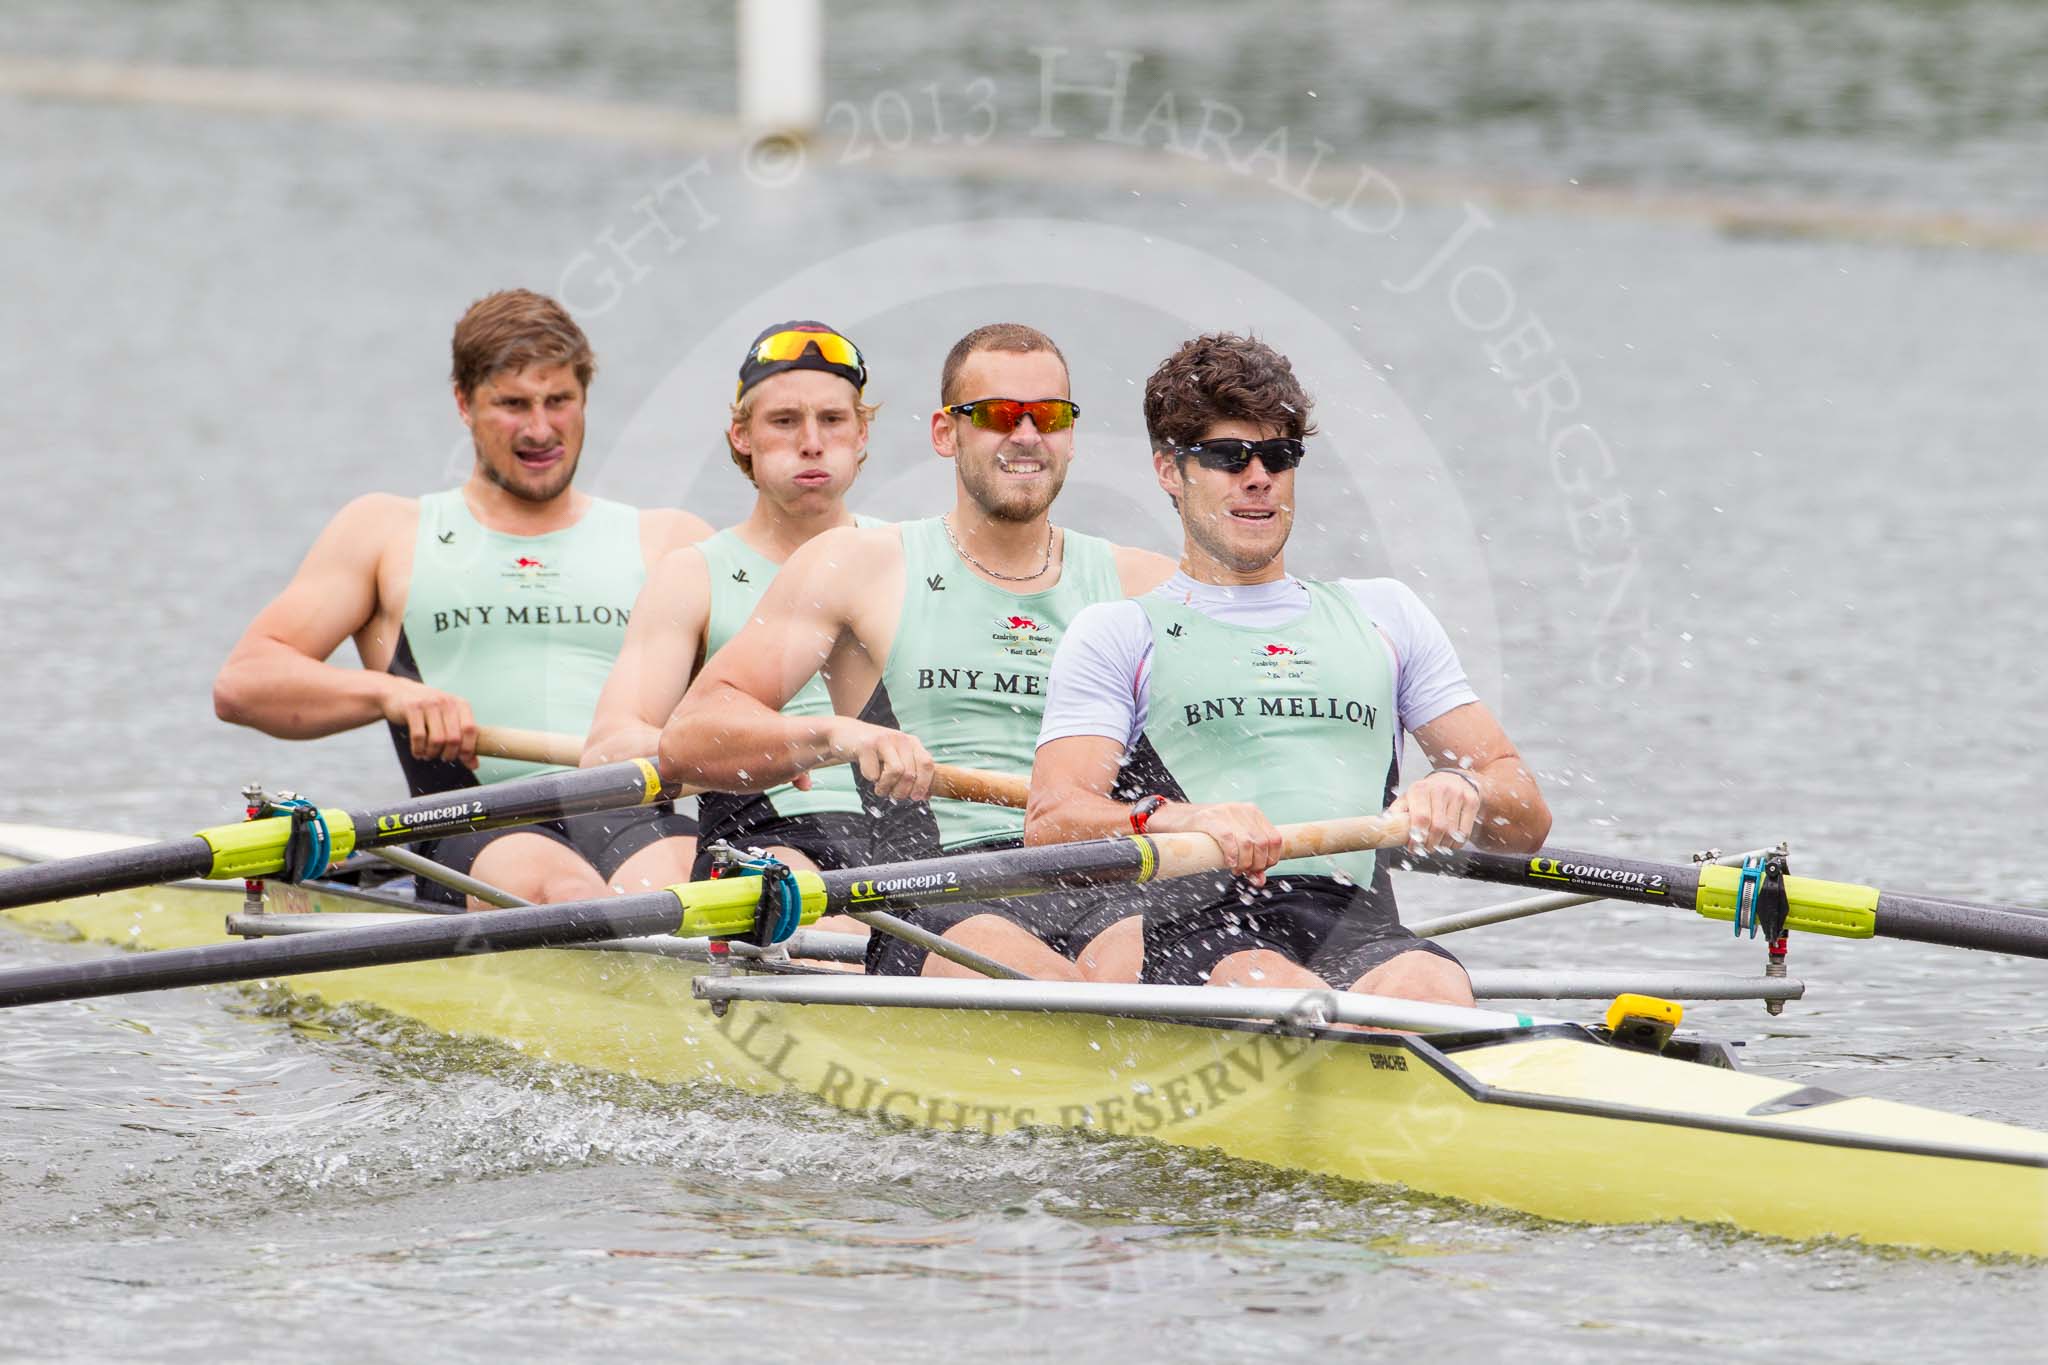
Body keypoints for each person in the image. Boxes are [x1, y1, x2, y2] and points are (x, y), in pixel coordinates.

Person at [1024, 332, 1551, 1005]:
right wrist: (1175, 818)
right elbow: (1054, 820)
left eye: (1278, 455)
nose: (1258, 476)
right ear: (1167, 470)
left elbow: (1527, 815)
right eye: (1226, 456)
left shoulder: (1386, 613)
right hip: (1203, 933)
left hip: (1359, 928)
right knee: (1291, 997)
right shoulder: (1121, 631)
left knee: (1435, 984)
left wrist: (1466, 794)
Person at [657, 322, 1175, 980]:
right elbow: (687, 738)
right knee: (1067, 992)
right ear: (943, 433)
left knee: (1165, 959)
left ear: (1070, 435)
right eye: (994, 415)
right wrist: (832, 734)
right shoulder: (859, 566)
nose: (1024, 434)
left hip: (1107, 885)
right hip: (938, 895)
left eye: (1046, 415)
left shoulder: (1145, 584)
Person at [212, 289, 709, 907]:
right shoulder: (386, 531)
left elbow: (764, 699)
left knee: (680, 898)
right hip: (475, 822)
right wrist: (394, 695)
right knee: (563, 893)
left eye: (560, 401)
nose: (540, 428)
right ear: (463, 403)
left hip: (638, 817)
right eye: (512, 404)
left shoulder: (669, 540)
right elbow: (243, 684)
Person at [582, 320, 888, 898]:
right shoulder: (694, 575)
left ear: (862, 433)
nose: (812, 441)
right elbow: (606, 750)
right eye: (784, 421)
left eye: (832, 419)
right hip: (766, 838)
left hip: (908, 836)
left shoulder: (906, 559)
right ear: (741, 436)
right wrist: (774, 742)